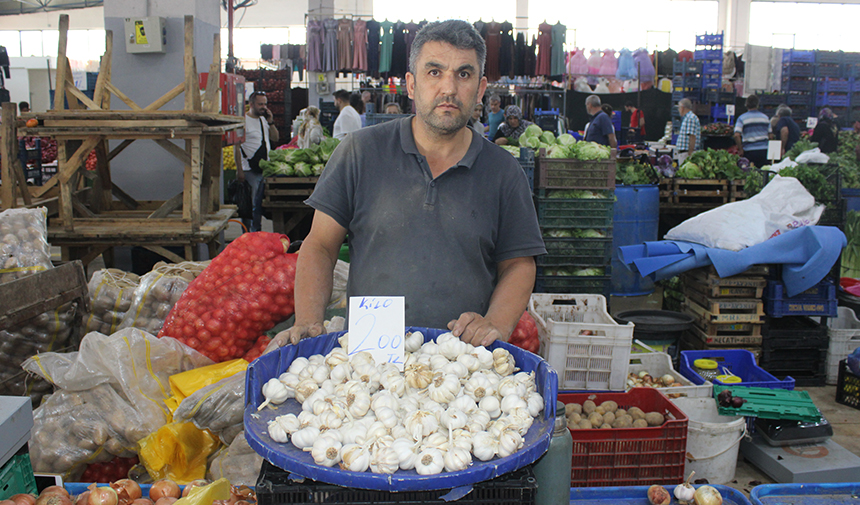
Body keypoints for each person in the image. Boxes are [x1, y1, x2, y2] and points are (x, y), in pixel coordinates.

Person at [268, 19, 545, 350]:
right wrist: (309, 321)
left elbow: (518, 263)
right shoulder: (360, 153)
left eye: (464, 74)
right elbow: (321, 246)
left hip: (462, 361)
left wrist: (496, 323)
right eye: (434, 72)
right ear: (411, 85)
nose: (449, 89)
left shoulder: (504, 172)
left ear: (481, 88)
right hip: (371, 355)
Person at [234, 90, 279, 232]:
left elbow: (275, 138)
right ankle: (248, 234)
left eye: (265, 104)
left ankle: (257, 232)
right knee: (249, 205)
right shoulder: (243, 121)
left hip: (263, 170)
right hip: (249, 170)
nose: (264, 107)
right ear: (251, 104)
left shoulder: (263, 120)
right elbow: (236, 146)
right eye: (260, 104)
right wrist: (239, 170)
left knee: (258, 205)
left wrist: (270, 121)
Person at [734, 94, 771, 168]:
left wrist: (740, 149)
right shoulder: (765, 118)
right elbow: (771, 135)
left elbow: (736, 135)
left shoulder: (742, 118)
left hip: (749, 151)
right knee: (763, 172)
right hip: (764, 150)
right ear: (757, 104)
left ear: (746, 105)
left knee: (748, 173)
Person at [676, 98, 701, 163]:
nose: (678, 110)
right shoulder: (687, 118)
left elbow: (692, 136)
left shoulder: (690, 118)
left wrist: (690, 153)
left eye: (679, 108)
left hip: (686, 153)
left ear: (682, 108)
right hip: (684, 152)